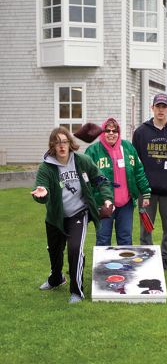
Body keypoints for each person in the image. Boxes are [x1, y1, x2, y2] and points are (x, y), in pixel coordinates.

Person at [31, 127, 113, 304]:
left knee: (75, 249)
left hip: (78, 213)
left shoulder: (82, 161)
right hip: (55, 217)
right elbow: (42, 190)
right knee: (55, 252)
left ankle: (76, 291)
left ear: (70, 143)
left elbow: (101, 180)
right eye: (57, 142)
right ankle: (56, 279)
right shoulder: (46, 167)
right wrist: (43, 193)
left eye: (64, 141)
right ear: (52, 145)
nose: (61, 146)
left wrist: (107, 199)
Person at [132, 93, 167, 271]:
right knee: (146, 226)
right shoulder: (141, 132)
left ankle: (166, 259)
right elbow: (135, 160)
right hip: (147, 192)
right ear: (152, 108)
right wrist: (141, 185)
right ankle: (146, 257)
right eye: (158, 106)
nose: (161, 110)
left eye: (164, 107)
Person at [85, 118, 151, 246]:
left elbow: (138, 171)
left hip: (126, 203)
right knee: (103, 238)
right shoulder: (93, 151)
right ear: (102, 132)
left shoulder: (128, 147)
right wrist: (91, 199)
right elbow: (85, 178)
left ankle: (125, 266)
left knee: (125, 238)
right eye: (107, 130)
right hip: (103, 203)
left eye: (114, 131)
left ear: (118, 133)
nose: (111, 133)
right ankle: (103, 266)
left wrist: (146, 192)